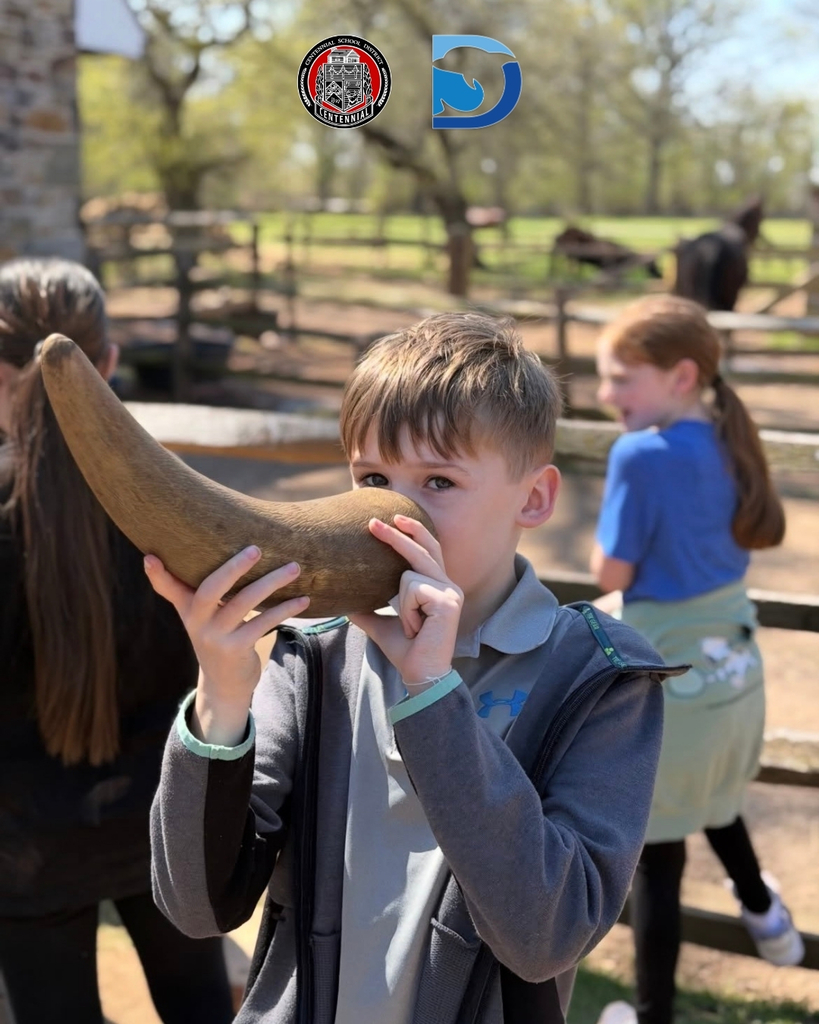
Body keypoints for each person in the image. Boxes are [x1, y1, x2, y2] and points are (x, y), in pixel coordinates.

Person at [147, 311, 684, 1024]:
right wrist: (220, 695)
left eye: (437, 481)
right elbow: (196, 905)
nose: (390, 518)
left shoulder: (598, 679)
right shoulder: (313, 656)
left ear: (534, 498)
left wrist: (432, 692)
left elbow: (545, 935)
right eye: (372, 478)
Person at [0, 258, 235, 1024]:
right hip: (163, 827)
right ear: (105, 364)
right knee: (200, 1007)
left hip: (23, 847)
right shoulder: (179, 504)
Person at [589, 295, 804, 1024]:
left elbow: (610, 574)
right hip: (735, 678)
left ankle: (650, 1015)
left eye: (621, 378)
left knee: (658, 852)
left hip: (672, 682)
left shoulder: (638, 455)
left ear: (680, 375)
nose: (604, 395)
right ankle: (764, 915)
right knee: (716, 800)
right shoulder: (727, 439)